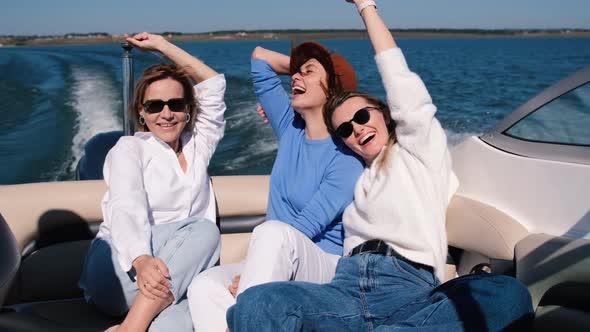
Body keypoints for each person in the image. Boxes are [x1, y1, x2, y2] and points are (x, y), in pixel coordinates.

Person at [226, 1, 534, 331]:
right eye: (344, 128)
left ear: (384, 114)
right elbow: (300, 227)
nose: (356, 128)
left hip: (408, 285)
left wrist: (365, 7)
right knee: (258, 303)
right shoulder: (352, 174)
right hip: (342, 287)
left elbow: (400, 80)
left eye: (362, 116)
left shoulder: (419, 154)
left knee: (507, 295)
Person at [188, 40, 365, 331]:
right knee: (204, 286)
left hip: (323, 265)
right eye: (295, 71)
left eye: (307, 71)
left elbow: (305, 226)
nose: (295, 76)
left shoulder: (347, 158)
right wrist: (305, 72)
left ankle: (249, 314)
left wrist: (249, 284)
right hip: (275, 255)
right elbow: (260, 59)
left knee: (272, 233)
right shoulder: (290, 127)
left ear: (333, 88)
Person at [78, 32, 226, 332]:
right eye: (155, 106)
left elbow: (213, 84)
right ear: (142, 114)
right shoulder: (130, 149)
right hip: (120, 273)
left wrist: (161, 46)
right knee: (205, 231)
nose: (167, 113)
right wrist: (141, 258)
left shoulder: (199, 145)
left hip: (173, 278)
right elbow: (125, 204)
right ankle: (131, 328)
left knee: (186, 316)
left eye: (176, 104)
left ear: (188, 110)